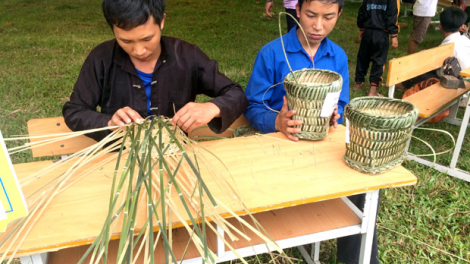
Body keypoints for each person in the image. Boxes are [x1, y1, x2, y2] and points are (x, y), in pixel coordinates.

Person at [245, 0, 379, 263]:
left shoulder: (337, 56)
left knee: (362, 184)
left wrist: (335, 116)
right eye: (310, 15)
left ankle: (359, 259)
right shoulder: (273, 53)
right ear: (297, 11)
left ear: (340, 14)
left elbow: (341, 103)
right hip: (280, 148)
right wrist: (277, 122)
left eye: (328, 17)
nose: (318, 26)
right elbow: (251, 105)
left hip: (322, 147)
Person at [62, 0, 248, 142]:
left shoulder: (187, 56)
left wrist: (211, 108)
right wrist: (109, 123)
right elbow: (75, 111)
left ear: (162, 22)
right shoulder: (101, 58)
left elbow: (237, 94)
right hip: (119, 158)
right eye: (125, 41)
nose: (138, 50)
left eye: (147, 39)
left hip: (174, 155)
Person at [397, 7, 470, 89]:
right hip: (465, 83)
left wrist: (425, 55)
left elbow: (438, 70)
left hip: (457, 88)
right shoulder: (466, 40)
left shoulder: (447, 48)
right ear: (461, 27)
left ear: (440, 26)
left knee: (418, 70)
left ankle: (400, 85)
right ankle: (402, 85)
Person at [354, 0, 399, 96]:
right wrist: (394, 35)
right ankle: (372, 90)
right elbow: (392, 16)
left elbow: (362, 12)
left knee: (363, 58)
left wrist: (361, 28)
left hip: (368, 31)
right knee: (379, 61)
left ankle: (358, 84)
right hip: (381, 34)